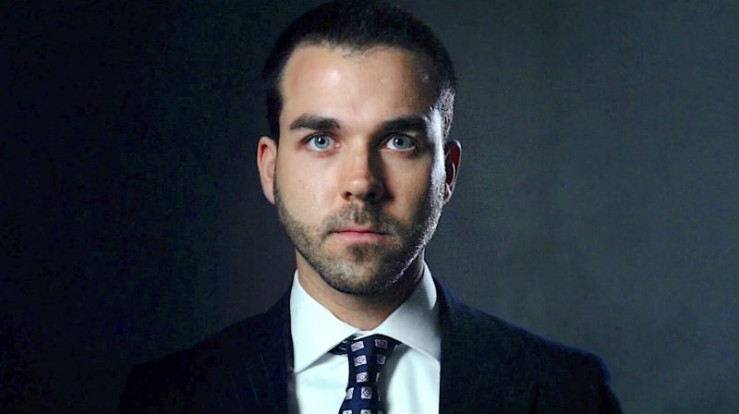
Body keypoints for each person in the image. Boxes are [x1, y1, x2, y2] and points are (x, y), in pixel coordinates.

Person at [119, 1, 621, 413]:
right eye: (321, 140)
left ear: (447, 173)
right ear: (269, 170)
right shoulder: (165, 399)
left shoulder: (569, 394)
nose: (361, 182)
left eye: (399, 141)